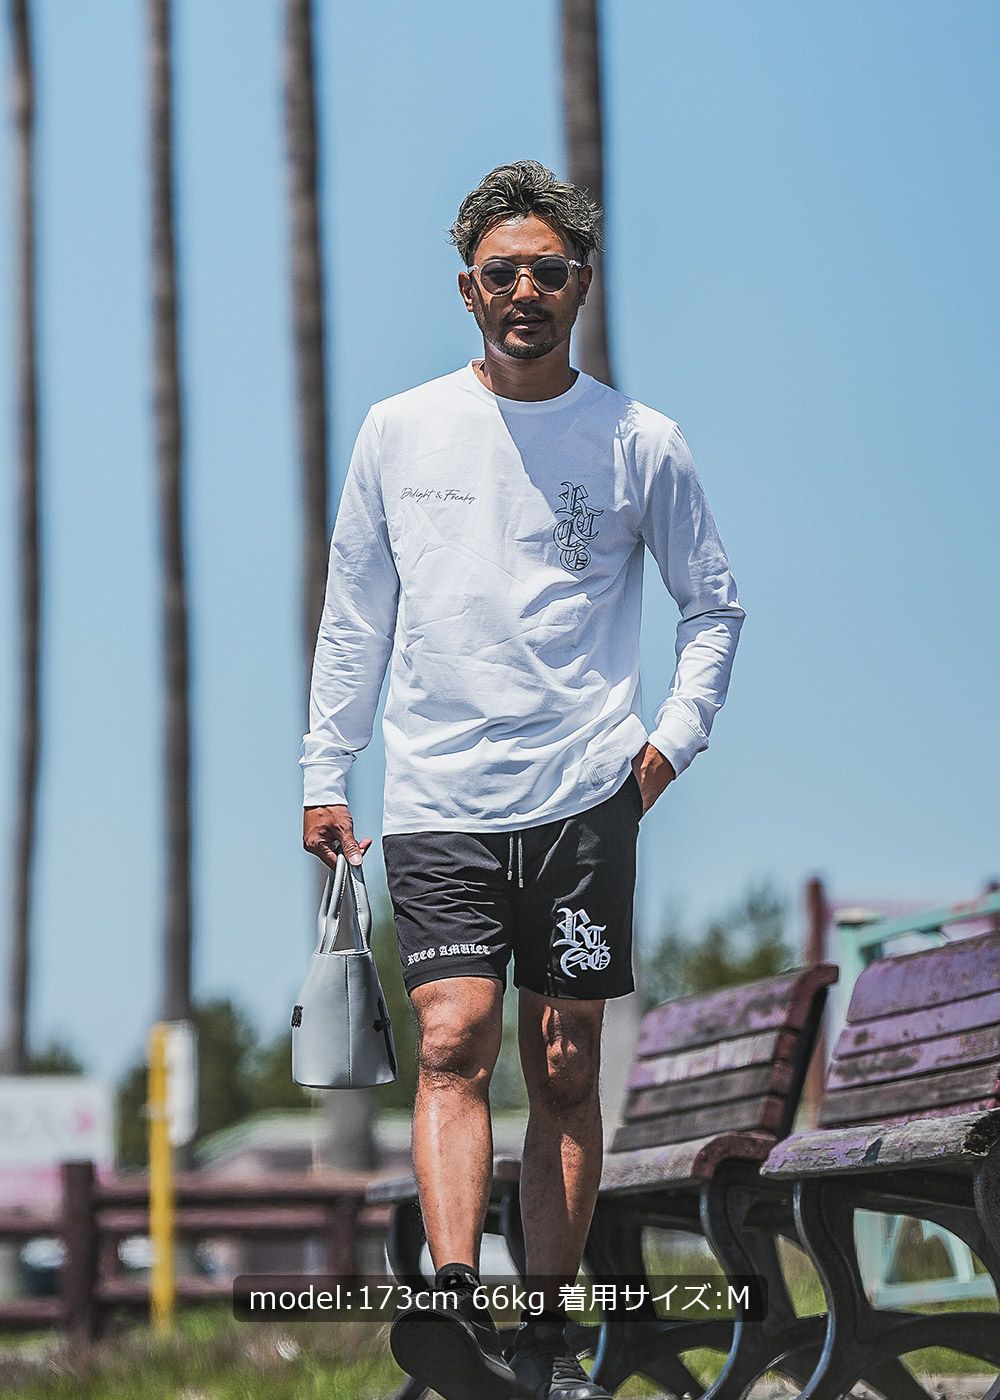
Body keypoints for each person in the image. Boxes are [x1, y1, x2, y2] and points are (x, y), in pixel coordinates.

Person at [301, 159, 746, 1400]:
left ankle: (543, 1337)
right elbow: (354, 615)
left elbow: (713, 607)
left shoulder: (639, 442)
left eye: (548, 271)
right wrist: (325, 767)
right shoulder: (399, 430)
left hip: (583, 797)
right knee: (452, 1037)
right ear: (467, 290)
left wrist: (665, 748)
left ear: (580, 285)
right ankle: (456, 1308)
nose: (525, 292)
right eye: (502, 273)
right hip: (436, 797)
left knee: (560, 1064)